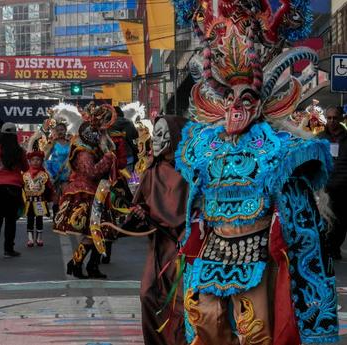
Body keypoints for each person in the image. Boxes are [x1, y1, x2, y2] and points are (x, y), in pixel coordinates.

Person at [172, 1, 338, 344]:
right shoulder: (204, 145)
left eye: (246, 98)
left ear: (264, 100)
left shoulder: (282, 148)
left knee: (257, 329)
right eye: (229, 98)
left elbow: (298, 220)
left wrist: (282, 244)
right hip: (214, 249)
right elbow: (195, 206)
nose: (236, 108)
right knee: (204, 320)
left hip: (258, 250)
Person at [129, 116, 189, 345]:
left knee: (182, 303)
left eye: (164, 133)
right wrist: (139, 214)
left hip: (183, 249)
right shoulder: (151, 173)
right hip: (158, 249)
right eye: (156, 132)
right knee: (147, 295)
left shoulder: (189, 173)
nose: (156, 138)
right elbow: (137, 209)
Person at [54, 104, 116, 279]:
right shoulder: (83, 153)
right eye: (98, 133)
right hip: (87, 194)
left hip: (97, 193)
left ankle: (91, 266)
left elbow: (110, 150)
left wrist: (105, 145)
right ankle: (76, 262)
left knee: (102, 231)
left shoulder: (90, 148)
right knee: (93, 232)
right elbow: (92, 172)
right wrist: (107, 157)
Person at [0, 122, 28, 258]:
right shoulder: (19, 150)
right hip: (13, 188)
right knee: (10, 220)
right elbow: (26, 168)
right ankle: (8, 250)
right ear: (15, 134)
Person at [318, 105, 347, 260]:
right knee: (326, 220)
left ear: (341, 118)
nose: (332, 121)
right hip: (325, 187)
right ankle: (327, 248)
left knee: (342, 221)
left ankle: (335, 247)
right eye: (329, 118)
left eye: (335, 117)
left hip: (344, 186)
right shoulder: (320, 139)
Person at [23, 150, 55, 247]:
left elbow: (49, 187)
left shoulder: (44, 174)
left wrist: (49, 196)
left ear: (41, 161)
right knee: (30, 219)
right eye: (33, 160)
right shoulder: (25, 174)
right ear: (29, 161)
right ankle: (30, 239)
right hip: (29, 201)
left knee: (39, 219)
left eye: (38, 159)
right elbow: (22, 188)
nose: (35, 161)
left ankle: (39, 238)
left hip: (40, 201)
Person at [44, 122, 70, 215]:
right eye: (58, 130)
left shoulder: (70, 143)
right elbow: (45, 158)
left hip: (67, 171)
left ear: (65, 130)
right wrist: (49, 172)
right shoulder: (53, 143)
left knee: (66, 193)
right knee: (56, 195)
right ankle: (55, 217)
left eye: (62, 130)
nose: (60, 132)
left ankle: (65, 216)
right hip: (55, 171)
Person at [111, 106, 138, 171]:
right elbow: (135, 136)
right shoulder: (129, 123)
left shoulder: (106, 125)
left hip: (111, 160)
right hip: (128, 158)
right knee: (127, 179)